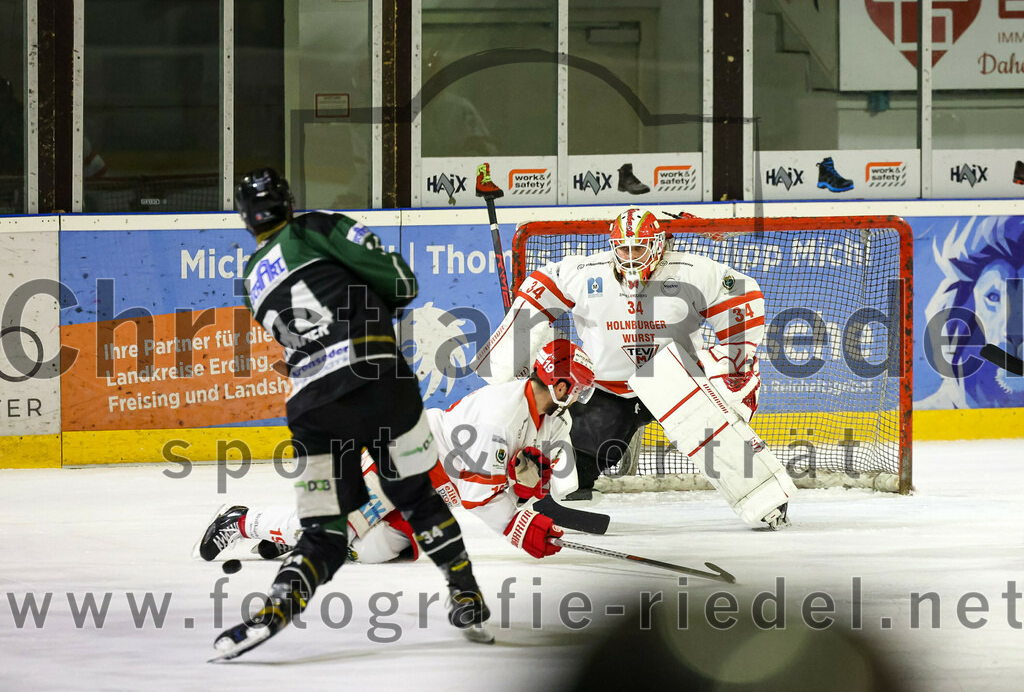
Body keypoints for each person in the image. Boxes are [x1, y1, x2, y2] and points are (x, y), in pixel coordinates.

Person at [215, 167, 491, 659]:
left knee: (324, 530)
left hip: (312, 408)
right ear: (288, 202)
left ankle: (279, 604)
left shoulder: (251, 278)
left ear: (245, 218)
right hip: (379, 380)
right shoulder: (316, 227)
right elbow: (402, 282)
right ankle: (466, 593)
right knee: (416, 497)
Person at [471, 206, 791, 529]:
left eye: (638, 248)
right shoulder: (586, 273)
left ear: (657, 245)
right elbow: (539, 287)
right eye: (623, 249)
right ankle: (555, 489)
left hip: (675, 383)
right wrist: (509, 357)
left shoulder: (690, 271)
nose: (630, 256)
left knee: (717, 438)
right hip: (609, 388)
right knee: (577, 462)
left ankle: (765, 501)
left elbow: (742, 296)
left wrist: (735, 362)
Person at [197, 339, 596, 565]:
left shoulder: (550, 419)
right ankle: (243, 520)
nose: (580, 395)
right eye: (577, 386)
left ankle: (295, 540)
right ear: (560, 386)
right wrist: (520, 526)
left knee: (374, 552)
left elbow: (516, 479)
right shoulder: (501, 415)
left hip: (436, 491)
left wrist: (527, 491)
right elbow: (480, 495)